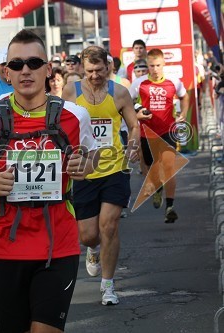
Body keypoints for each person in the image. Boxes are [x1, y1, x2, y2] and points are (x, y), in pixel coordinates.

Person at [0, 29, 98, 333]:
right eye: (17, 64)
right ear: (6, 72)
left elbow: (93, 159)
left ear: (48, 70)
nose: (26, 70)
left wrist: (83, 165)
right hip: (5, 246)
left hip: (57, 246)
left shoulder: (75, 116)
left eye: (34, 63)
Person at [62, 45, 140, 306]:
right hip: (84, 170)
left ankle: (108, 286)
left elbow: (133, 125)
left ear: (108, 67)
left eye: (99, 70)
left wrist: (134, 143)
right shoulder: (71, 92)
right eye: (90, 71)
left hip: (114, 167)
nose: (95, 75)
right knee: (88, 235)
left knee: (110, 224)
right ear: (83, 69)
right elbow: (62, 127)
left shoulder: (119, 92)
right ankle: (92, 250)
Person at [129, 48, 189, 223]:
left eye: (158, 65)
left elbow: (184, 97)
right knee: (152, 166)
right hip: (147, 133)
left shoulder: (173, 82)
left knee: (169, 167)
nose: (154, 69)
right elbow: (126, 101)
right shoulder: (139, 83)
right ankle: (157, 189)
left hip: (168, 130)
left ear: (164, 64)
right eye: (151, 66)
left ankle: (170, 206)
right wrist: (137, 111)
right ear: (147, 65)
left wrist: (183, 113)